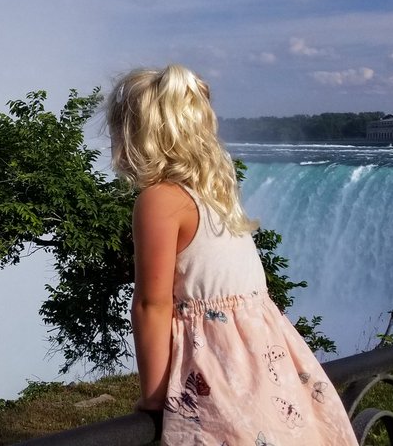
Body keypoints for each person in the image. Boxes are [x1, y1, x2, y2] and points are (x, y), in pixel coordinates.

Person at [104, 65, 358, 445]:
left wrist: (154, 398)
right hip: (266, 364)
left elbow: (151, 305)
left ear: (137, 135)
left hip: (218, 372)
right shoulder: (214, 196)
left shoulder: (159, 200)